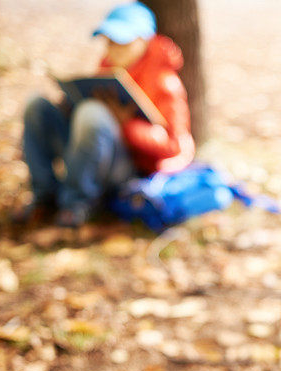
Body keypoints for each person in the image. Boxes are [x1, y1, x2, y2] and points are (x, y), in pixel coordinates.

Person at [16, 1, 194, 227]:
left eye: (121, 42)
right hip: (94, 155)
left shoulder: (165, 83)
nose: (112, 49)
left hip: (130, 169)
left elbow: (173, 147)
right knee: (37, 105)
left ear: (144, 40)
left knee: (92, 113)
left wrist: (126, 124)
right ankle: (44, 196)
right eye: (109, 42)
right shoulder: (108, 69)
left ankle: (76, 204)